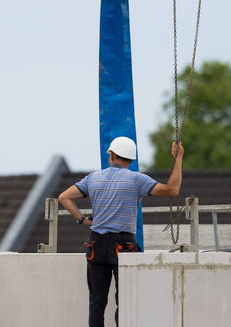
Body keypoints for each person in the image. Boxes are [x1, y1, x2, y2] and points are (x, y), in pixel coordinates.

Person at [58, 136, 184, 327]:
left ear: (112, 156)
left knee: (97, 302)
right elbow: (172, 190)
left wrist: (83, 220)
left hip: (96, 244)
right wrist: (178, 157)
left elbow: (64, 197)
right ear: (131, 160)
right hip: (123, 246)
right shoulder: (137, 180)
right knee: (125, 301)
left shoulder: (93, 178)